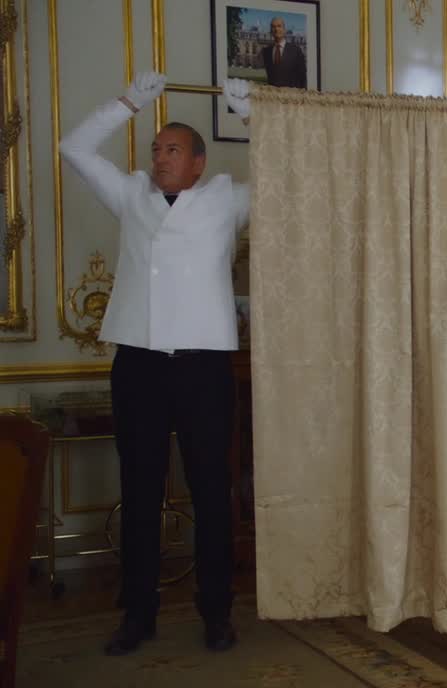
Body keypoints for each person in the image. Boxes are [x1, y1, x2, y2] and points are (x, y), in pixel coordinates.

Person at [59, 72, 255, 655]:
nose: (160, 157)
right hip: (139, 363)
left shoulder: (227, 198)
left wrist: (251, 114)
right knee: (140, 489)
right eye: (155, 149)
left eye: (172, 149)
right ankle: (138, 614)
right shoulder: (131, 196)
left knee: (211, 490)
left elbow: (294, 169)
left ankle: (216, 612)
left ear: (197, 163)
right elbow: (74, 147)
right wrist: (127, 102)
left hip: (203, 366)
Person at [260, 16, 307, 89]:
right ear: (271, 31)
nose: (276, 29)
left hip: (290, 95)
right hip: (272, 94)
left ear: (284, 30)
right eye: (273, 27)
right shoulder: (266, 52)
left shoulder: (296, 51)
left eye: (279, 26)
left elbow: (303, 78)